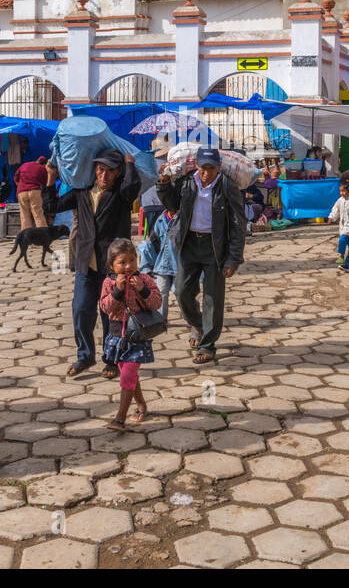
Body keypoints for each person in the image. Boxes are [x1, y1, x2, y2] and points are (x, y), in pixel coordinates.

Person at [44, 149, 141, 378]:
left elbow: (132, 187)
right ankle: (85, 356)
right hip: (86, 263)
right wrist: (50, 176)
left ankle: (112, 358)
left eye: (109, 171)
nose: (104, 176)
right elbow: (51, 207)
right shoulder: (81, 193)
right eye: (100, 170)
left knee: (110, 314)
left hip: (112, 267)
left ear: (118, 173)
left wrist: (130, 164)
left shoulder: (121, 195)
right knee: (80, 310)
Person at [156, 148, 247, 365]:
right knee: (181, 291)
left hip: (215, 247)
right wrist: (163, 184)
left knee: (212, 299)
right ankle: (197, 324)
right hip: (188, 244)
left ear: (218, 168)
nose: (206, 173)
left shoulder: (227, 186)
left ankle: (207, 345)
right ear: (196, 165)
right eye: (203, 168)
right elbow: (173, 205)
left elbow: (237, 223)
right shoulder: (187, 182)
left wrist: (233, 258)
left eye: (211, 168)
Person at [99, 238, 162, 430]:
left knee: (127, 374)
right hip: (117, 337)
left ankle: (120, 418)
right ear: (112, 265)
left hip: (138, 337)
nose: (128, 266)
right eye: (122, 262)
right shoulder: (109, 283)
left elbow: (157, 303)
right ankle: (141, 405)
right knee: (129, 376)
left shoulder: (145, 280)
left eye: (132, 260)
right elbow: (104, 306)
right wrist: (118, 290)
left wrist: (142, 290)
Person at [138, 206, 177, 321]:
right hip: (162, 266)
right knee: (161, 292)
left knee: (181, 293)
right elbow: (152, 243)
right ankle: (160, 321)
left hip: (179, 267)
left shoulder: (184, 219)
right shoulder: (160, 220)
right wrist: (145, 267)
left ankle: (193, 318)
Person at [14, 155, 50, 229]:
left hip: (21, 192)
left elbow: (16, 179)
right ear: (44, 164)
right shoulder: (42, 168)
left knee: (24, 215)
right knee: (38, 214)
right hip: (35, 191)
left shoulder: (24, 165)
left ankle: (26, 237)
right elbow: (45, 183)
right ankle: (42, 236)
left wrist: (22, 185)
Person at [328, 180, 349, 268]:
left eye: (344, 191)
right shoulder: (340, 200)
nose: (342, 193)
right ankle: (342, 256)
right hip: (343, 226)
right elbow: (335, 209)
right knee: (343, 240)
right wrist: (331, 217)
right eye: (340, 191)